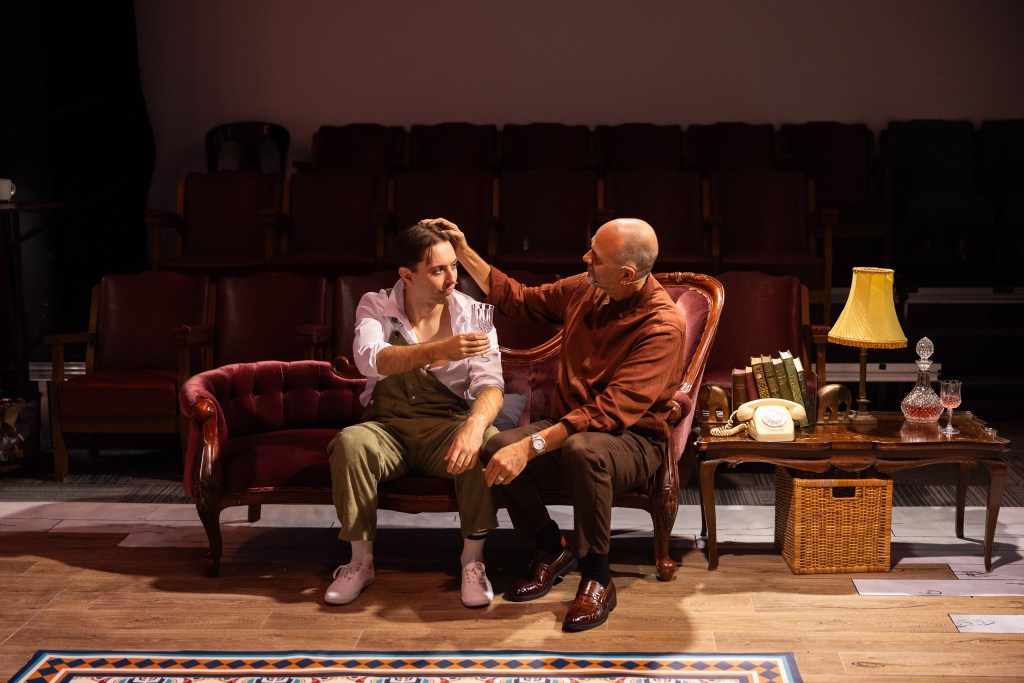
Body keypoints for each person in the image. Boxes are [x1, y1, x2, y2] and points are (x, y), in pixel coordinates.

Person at [427, 216, 687, 632]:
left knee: (584, 449)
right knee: (497, 446)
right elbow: (519, 299)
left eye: (595, 257)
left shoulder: (663, 326)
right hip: (568, 427)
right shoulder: (587, 287)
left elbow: (609, 411)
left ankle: (598, 576)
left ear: (627, 274)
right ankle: (551, 547)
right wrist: (463, 251)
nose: (585, 259)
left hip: (632, 440)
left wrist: (531, 446)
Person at [325, 222, 505, 608]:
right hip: (387, 427)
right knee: (350, 442)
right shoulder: (377, 305)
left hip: (446, 426)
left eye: (454, 266)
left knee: (487, 441)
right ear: (407, 275)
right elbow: (369, 360)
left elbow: (491, 385)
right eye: (438, 270)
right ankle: (360, 563)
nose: (452, 278)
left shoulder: (472, 314)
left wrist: (475, 426)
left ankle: (473, 561)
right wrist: (440, 349)